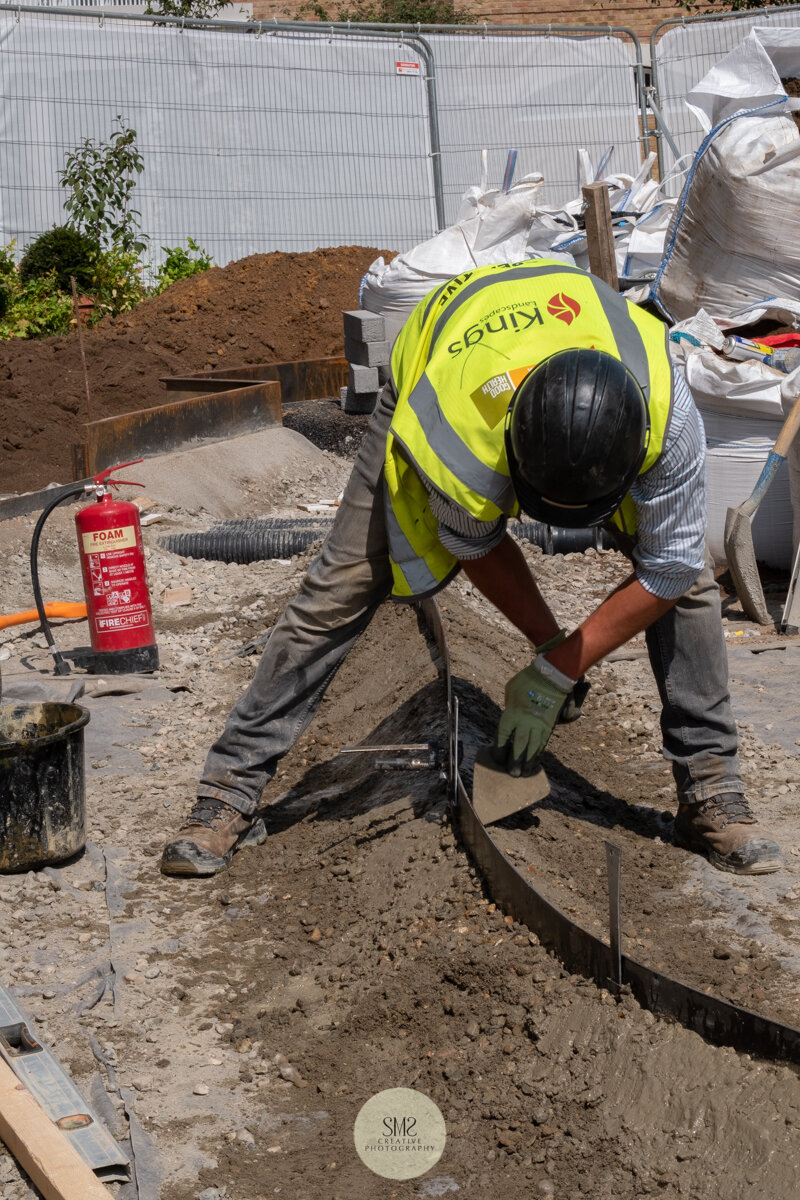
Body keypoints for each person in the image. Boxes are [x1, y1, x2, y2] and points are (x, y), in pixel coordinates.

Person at [161, 260, 781, 879]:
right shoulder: (459, 430)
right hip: (443, 364)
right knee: (346, 580)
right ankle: (227, 791)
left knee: (692, 583)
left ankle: (710, 790)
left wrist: (559, 668)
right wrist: (550, 648)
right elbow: (475, 543)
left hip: (579, 355)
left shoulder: (668, 421)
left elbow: (669, 568)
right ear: (510, 452)